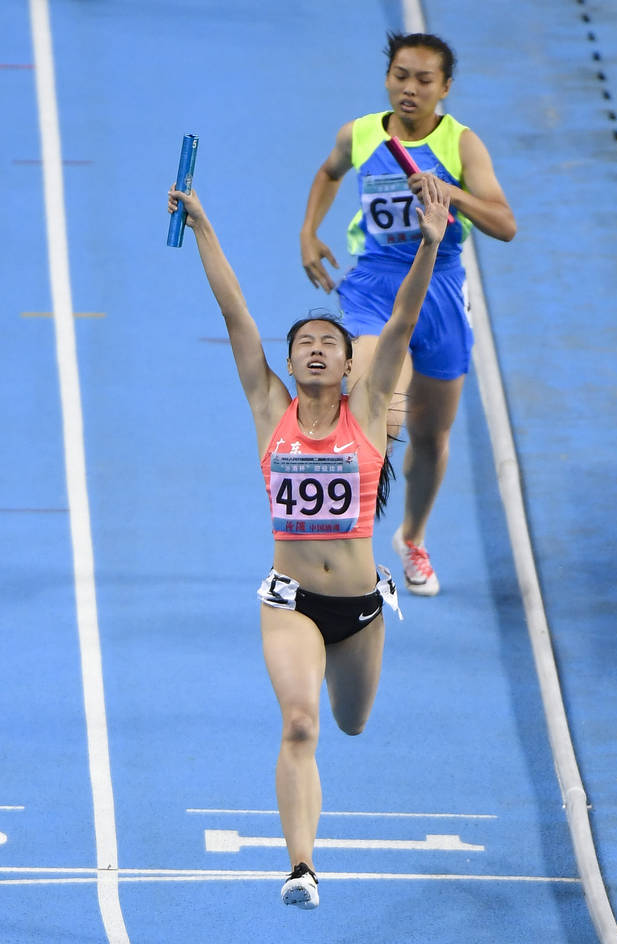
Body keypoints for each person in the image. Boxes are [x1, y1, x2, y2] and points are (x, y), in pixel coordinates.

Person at [168, 175, 450, 908]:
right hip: (289, 601)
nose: (318, 350)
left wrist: (428, 243)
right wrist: (203, 226)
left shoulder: (365, 412)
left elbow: (404, 316)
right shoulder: (271, 409)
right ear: (289, 364)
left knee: (351, 724)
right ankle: (301, 867)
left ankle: (309, 834)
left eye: (330, 342)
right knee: (301, 723)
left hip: (359, 606)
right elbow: (235, 312)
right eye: (305, 345)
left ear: (352, 365)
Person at [300, 31, 516, 596]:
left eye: (424, 80)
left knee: (430, 435)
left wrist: (450, 193)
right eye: (401, 75)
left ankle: (412, 537)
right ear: (388, 78)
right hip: (374, 287)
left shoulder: (462, 145)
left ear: (444, 88)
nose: (410, 89)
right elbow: (329, 172)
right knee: (381, 409)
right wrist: (308, 232)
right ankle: (347, 540)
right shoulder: (362, 133)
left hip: (439, 290)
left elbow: (504, 224)